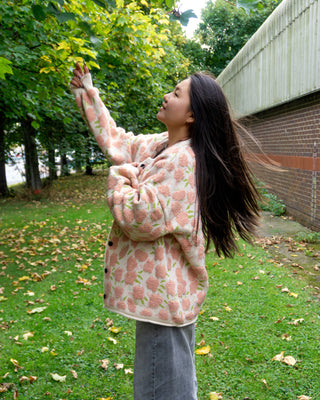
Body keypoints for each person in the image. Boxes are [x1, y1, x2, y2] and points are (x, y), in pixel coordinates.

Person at [70, 63, 260, 400]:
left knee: (161, 390)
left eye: (176, 94)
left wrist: (118, 180)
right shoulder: (162, 147)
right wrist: (87, 92)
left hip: (165, 300)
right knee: (172, 384)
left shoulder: (181, 161)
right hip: (165, 297)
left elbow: (140, 217)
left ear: (191, 116)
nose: (165, 97)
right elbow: (118, 141)